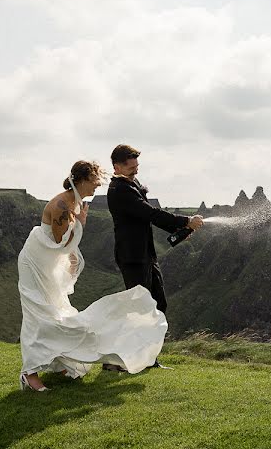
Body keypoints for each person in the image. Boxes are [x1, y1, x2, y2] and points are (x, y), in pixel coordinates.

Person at [17, 161, 167, 392]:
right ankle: (29, 373)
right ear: (81, 179)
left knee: (58, 312)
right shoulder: (61, 204)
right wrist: (80, 225)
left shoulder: (76, 202)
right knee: (39, 313)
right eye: (94, 181)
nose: (97, 186)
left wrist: (77, 231)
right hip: (35, 263)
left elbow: (65, 244)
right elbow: (59, 242)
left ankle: (59, 362)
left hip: (50, 262)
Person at [105, 144, 203, 370]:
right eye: (131, 168)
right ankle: (120, 360)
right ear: (117, 167)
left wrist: (179, 232)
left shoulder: (131, 184)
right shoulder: (119, 190)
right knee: (139, 309)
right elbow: (150, 213)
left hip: (146, 254)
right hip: (132, 257)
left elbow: (147, 217)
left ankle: (145, 358)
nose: (135, 171)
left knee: (158, 303)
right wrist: (185, 221)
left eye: (137, 166)